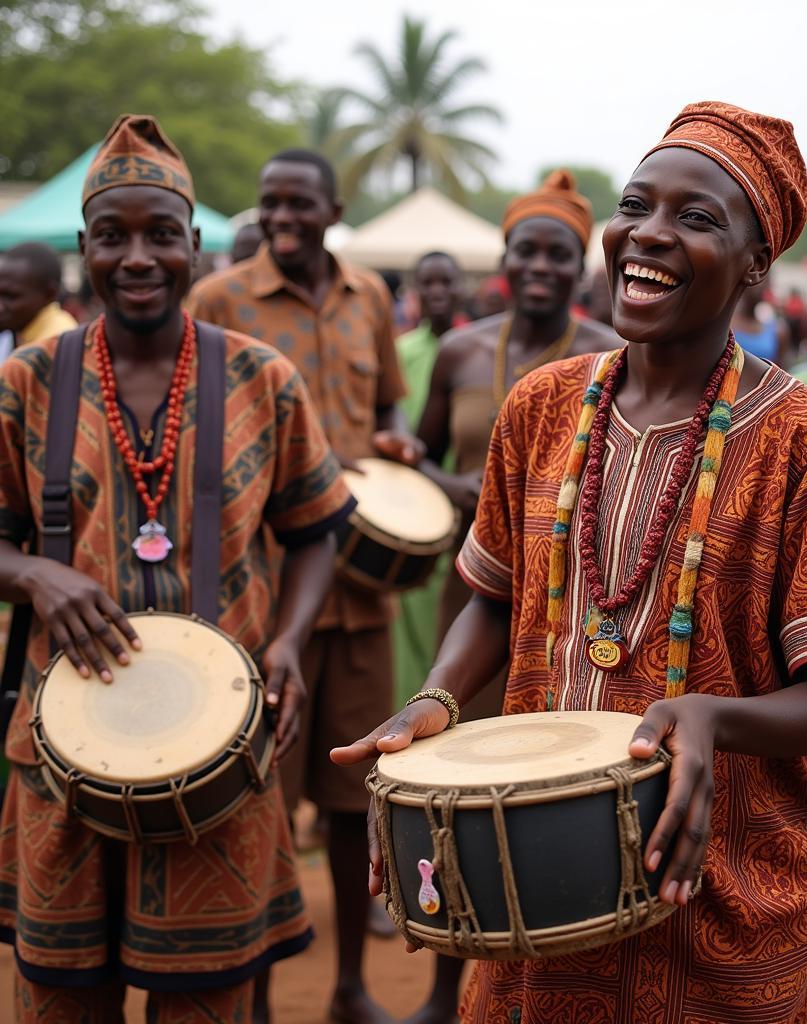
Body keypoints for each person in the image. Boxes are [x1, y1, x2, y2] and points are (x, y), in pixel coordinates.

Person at [333, 101, 807, 1022]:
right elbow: (494, 603)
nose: (649, 235)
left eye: (697, 218)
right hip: (538, 884)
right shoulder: (543, 406)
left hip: (721, 892)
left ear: (757, 264)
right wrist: (436, 696)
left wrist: (709, 716)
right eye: (636, 205)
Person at [0, 114, 351, 1022]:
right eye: (113, 236)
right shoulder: (29, 383)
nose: (138, 256)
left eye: (162, 234)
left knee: (208, 1003)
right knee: (60, 999)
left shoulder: (261, 378)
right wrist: (37, 576)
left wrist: (289, 643)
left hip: (221, 754)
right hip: (60, 754)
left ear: (194, 245)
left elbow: (316, 527)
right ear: (84, 249)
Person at [187, 147, 417, 1024]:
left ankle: (352, 989)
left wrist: (394, 444)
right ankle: (251, 999)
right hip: (263, 601)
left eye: (299, 203)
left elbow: (390, 407)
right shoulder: (219, 299)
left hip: (360, 597)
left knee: (358, 804)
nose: (282, 216)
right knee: (256, 809)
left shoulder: (371, 299)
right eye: (268, 202)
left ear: (333, 208)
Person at [396, 170, 617, 1024]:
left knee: (544, 788)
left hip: (573, 604)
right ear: (505, 258)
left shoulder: (605, 349)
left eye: (556, 252)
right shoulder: (459, 351)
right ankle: (446, 991)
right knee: (454, 787)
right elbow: (416, 455)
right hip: (477, 598)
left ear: (578, 266)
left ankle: (557, 977)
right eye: (525, 249)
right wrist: (460, 491)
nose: (539, 265)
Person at [392, 251, 465, 707]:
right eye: (427, 283)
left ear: (462, 288)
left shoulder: (474, 349)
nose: (437, 292)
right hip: (413, 504)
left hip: (464, 510)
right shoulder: (401, 352)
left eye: (446, 282)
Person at [0, 242, 77, 362]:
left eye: (11, 297)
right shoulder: (19, 330)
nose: (1, 306)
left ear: (49, 294)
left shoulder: (57, 345)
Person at [730, 276, 791, 364]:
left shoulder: (778, 330)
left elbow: (780, 371)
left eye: (765, 280)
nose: (760, 285)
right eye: (753, 277)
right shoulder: (724, 325)